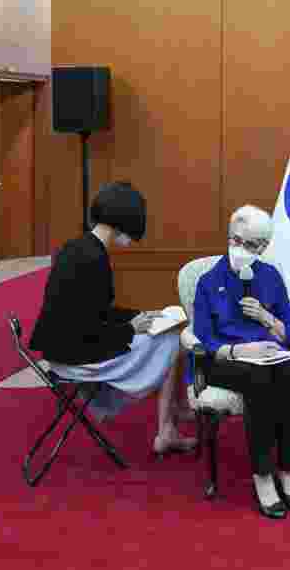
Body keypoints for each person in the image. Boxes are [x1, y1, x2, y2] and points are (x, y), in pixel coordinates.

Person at [29, 181, 196, 456]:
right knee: (172, 342)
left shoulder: (78, 248)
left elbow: (92, 312)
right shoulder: (94, 259)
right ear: (123, 223)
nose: (130, 241)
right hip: (75, 357)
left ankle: (172, 418)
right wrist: (131, 329)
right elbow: (87, 328)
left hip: (62, 349)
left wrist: (137, 317)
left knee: (166, 338)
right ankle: (168, 427)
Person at [191, 205, 290, 520]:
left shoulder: (270, 277)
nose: (241, 249)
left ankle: (288, 469)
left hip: (271, 357)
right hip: (226, 360)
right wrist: (242, 351)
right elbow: (204, 338)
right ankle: (263, 475)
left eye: (252, 245)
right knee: (258, 379)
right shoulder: (208, 281)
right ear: (229, 237)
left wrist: (266, 318)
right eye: (237, 240)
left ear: (263, 247)